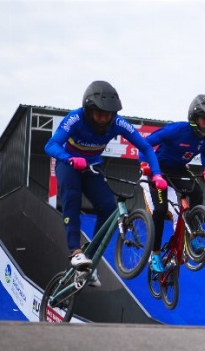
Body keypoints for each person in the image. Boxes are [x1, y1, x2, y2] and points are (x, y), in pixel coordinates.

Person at [44, 81, 166, 287]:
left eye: (108, 115)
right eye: (99, 114)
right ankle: (75, 252)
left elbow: (146, 146)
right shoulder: (75, 118)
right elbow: (51, 145)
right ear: (88, 110)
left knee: (109, 209)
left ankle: (90, 261)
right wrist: (69, 158)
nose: (103, 119)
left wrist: (157, 174)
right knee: (71, 199)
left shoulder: (118, 123)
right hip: (69, 164)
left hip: (92, 166)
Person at [139, 94, 205, 273]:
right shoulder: (177, 130)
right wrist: (144, 163)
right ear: (194, 118)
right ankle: (154, 254)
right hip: (159, 169)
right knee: (160, 210)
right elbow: (146, 143)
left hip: (178, 170)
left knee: (197, 193)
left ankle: (193, 234)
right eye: (204, 119)